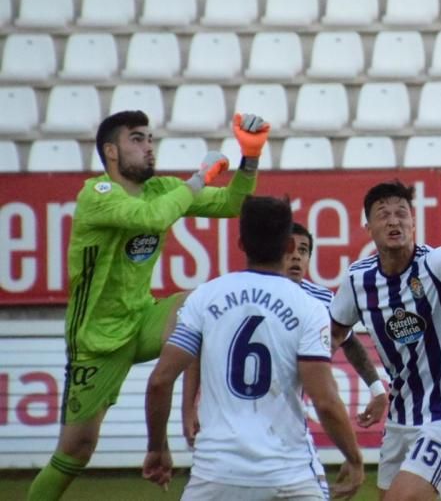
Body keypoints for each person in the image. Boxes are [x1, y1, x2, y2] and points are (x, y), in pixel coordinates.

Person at [27, 110, 269, 500]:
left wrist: (251, 156)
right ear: (111, 151)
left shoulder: (161, 189)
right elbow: (152, 219)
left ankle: (199, 421)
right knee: (76, 450)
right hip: (96, 339)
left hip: (142, 319)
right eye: (137, 140)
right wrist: (198, 177)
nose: (148, 148)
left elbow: (231, 204)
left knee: (205, 302)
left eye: (151, 139)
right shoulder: (97, 194)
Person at [143, 196, 364, 500]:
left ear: (241, 244)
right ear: (288, 246)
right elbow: (325, 400)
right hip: (288, 475)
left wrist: (157, 448)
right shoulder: (309, 307)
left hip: (214, 475)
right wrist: (354, 458)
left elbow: (159, 381)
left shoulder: (205, 297)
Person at [180, 221, 388, 499]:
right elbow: (196, 349)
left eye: (304, 250)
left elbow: (350, 342)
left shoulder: (319, 299)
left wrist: (376, 388)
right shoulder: (242, 293)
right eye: (291, 248)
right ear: (278, 250)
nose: (296, 256)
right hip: (274, 452)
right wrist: (189, 407)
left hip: (253, 440)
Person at [328, 180, 441, 500]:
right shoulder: (359, 280)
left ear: (414, 221)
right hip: (401, 414)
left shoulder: (436, 264)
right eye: (383, 214)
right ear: (367, 226)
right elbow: (336, 334)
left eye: (402, 213)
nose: (394, 221)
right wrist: (374, 387)